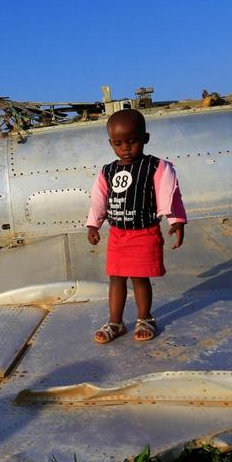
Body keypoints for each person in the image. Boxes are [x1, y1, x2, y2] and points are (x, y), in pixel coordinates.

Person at [85, 109, 187, 343]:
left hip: (144, 231)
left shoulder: (155, 167)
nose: (125, 148)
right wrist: (94, 224)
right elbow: (99, 199)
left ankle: (145, 318)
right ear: (111, 143)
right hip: (118, 234)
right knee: (116, 278)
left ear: (145, 138)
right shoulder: (108, 171)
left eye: (132, 141)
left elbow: (171, 194)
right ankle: (115, 322)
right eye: (118, 143)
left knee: (140, 278)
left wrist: (177, 220)